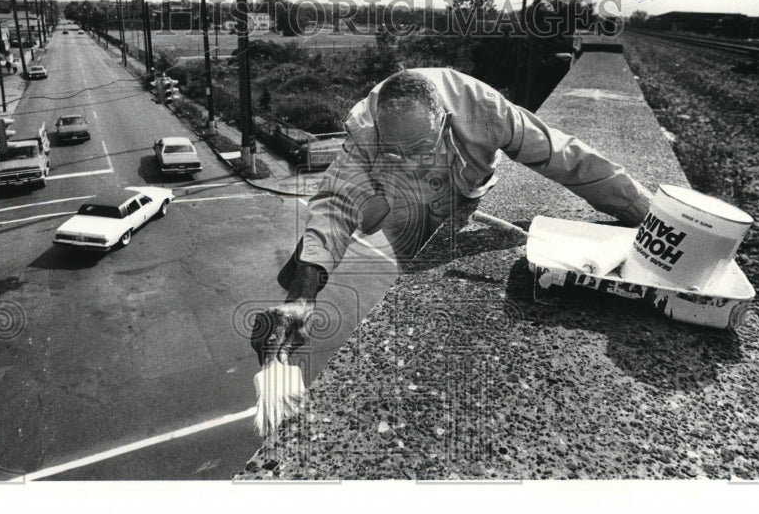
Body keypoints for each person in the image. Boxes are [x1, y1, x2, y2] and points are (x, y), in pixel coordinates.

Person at [251, 67, 652, 363]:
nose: (412, 162)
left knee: (440, 242)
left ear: (444, 123)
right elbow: (336, 204)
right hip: (394, 195)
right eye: (398, 150)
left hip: (466, 182)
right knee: (378, 226)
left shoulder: (487, 111)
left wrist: (648, 215)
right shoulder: (367, 129)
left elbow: (566, 158)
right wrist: (301, 297)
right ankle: (308, 272)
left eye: (420, 147)